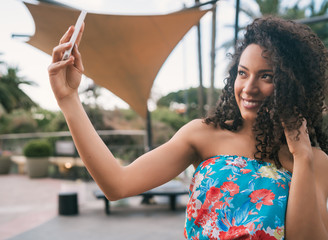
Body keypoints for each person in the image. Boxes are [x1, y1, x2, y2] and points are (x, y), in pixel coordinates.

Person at [48, 16, 328, 239]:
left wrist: (302, 157)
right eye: (242, 73)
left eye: (266, 76)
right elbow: (117, 185)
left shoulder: (315, 162)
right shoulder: (203, 134)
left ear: (294, 84)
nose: (248, 88)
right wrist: (69, 100)